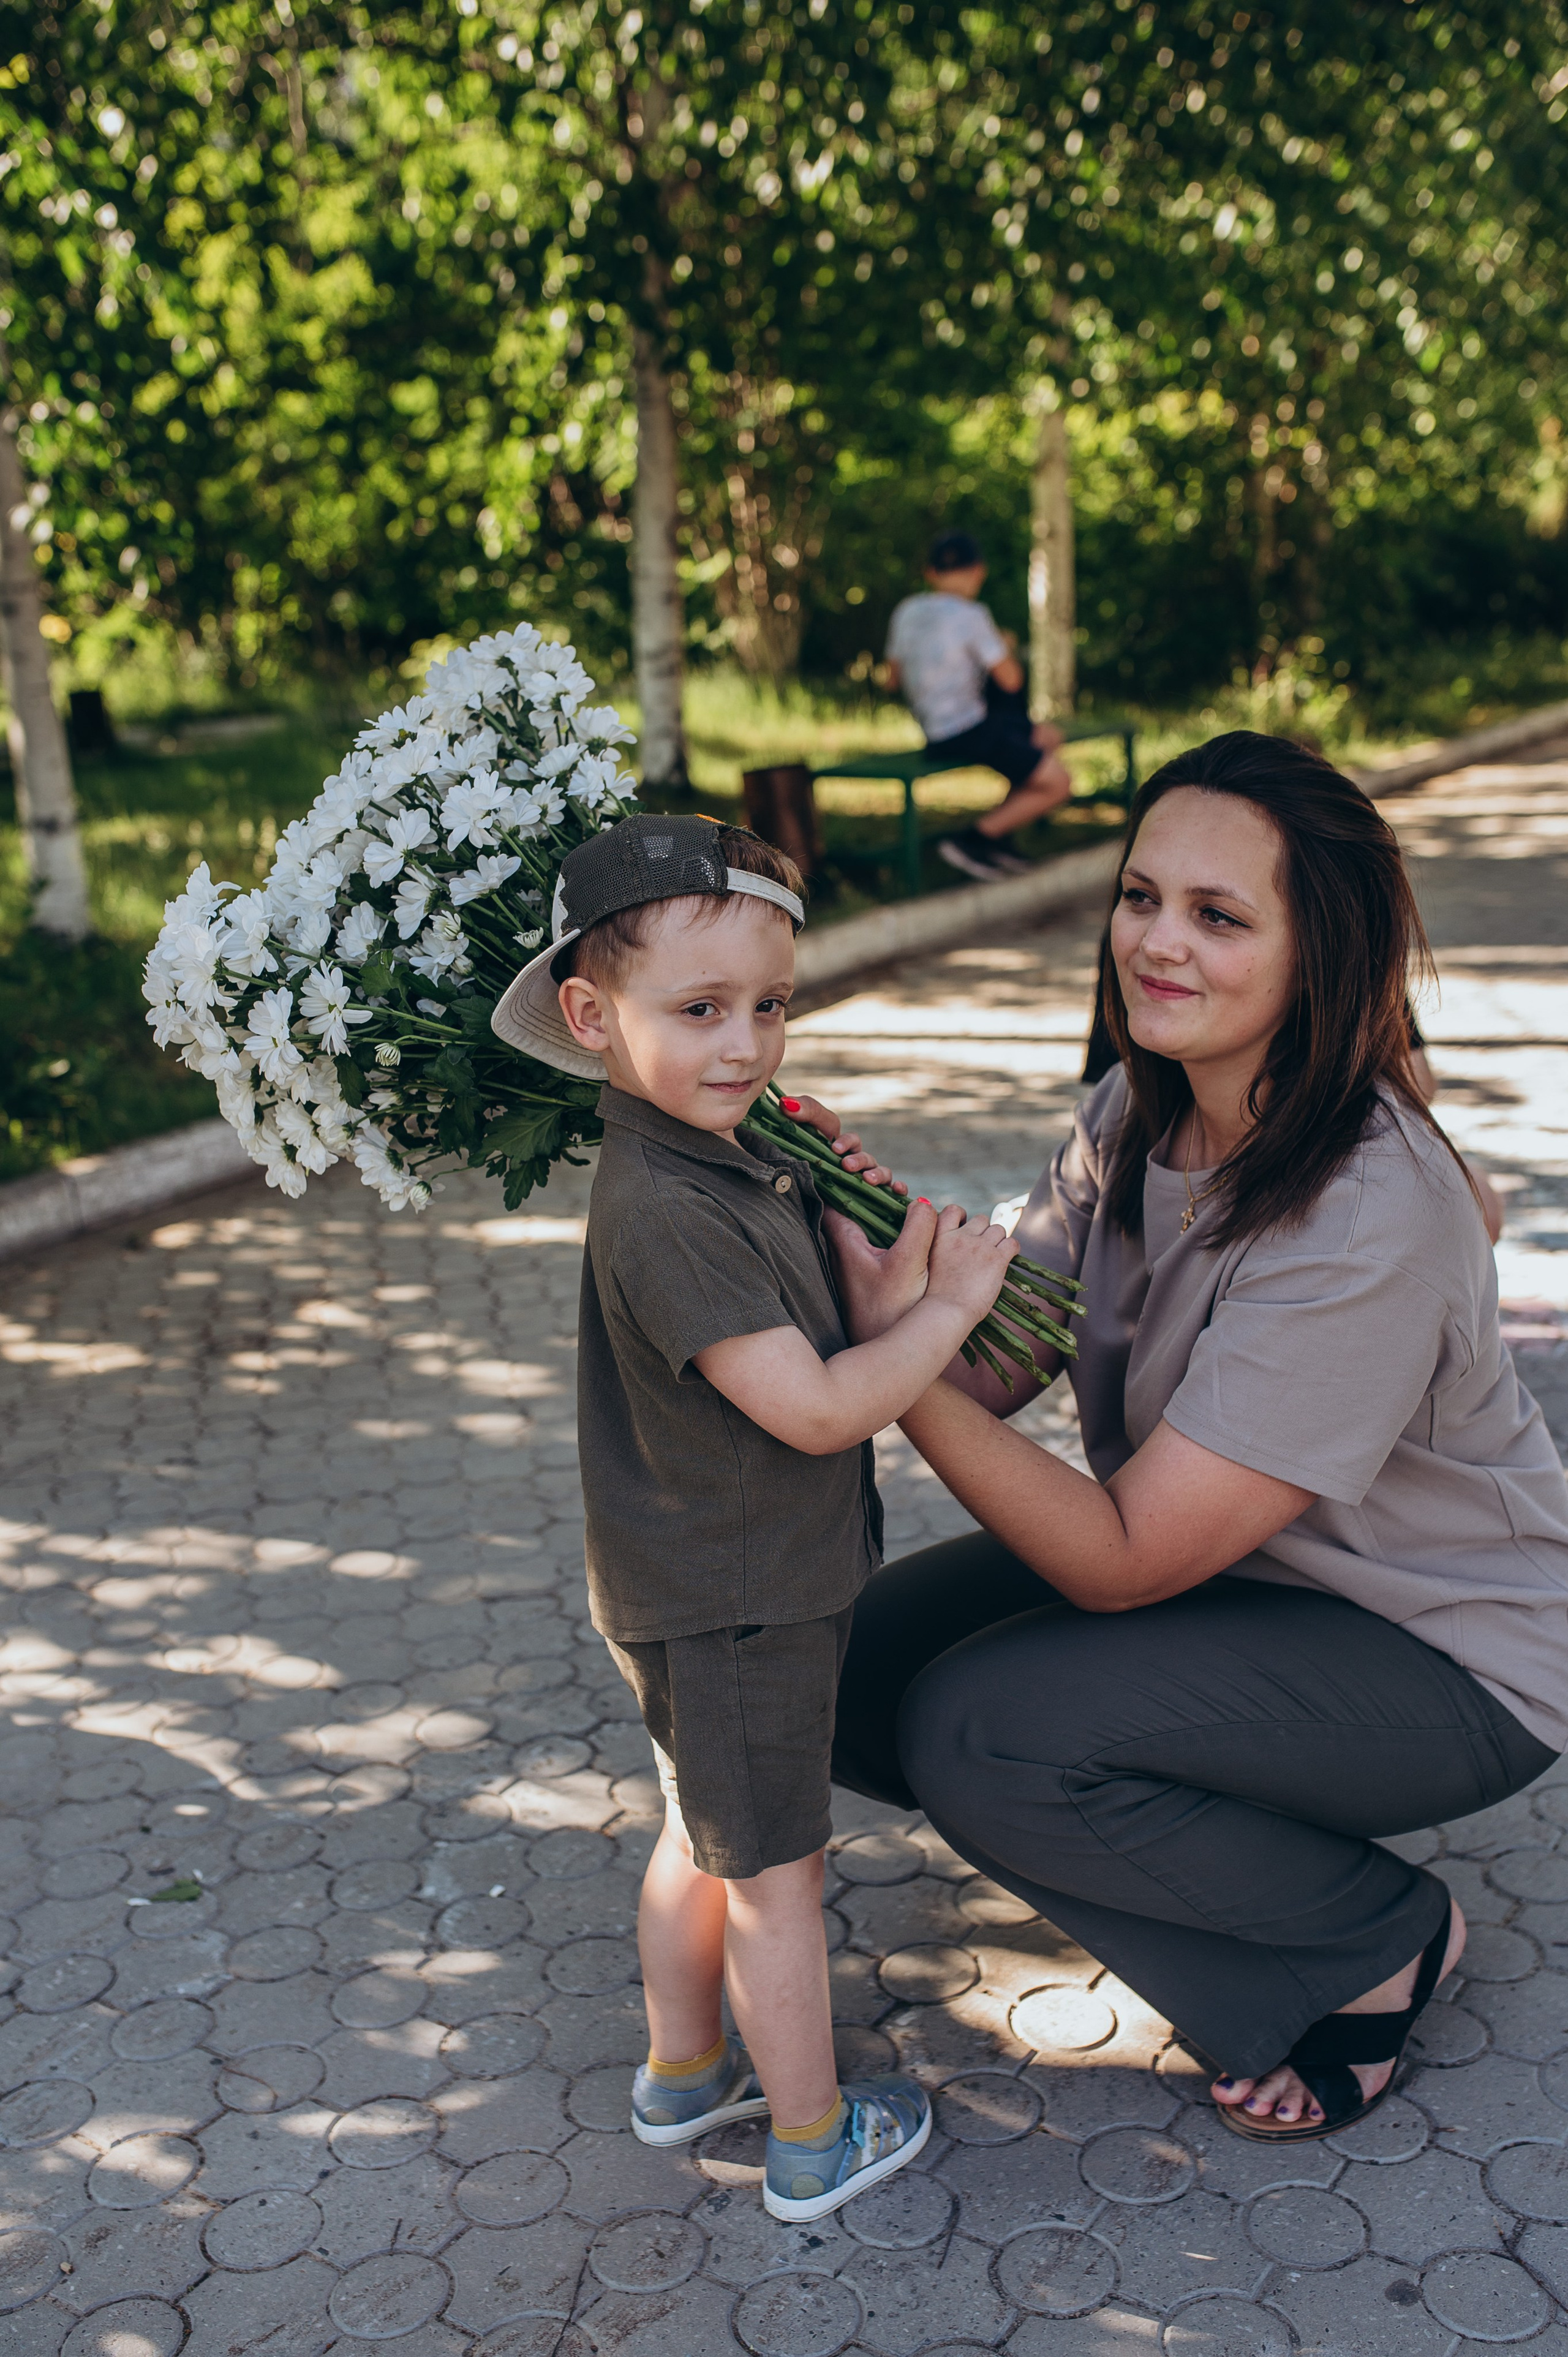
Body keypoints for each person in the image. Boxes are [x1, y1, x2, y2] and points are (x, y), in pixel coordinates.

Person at [823, 732, 1568, 2142]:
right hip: (1243, 1572)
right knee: (856, 1666)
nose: (1156, 942)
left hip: (1447, 1646)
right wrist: (853, 1222)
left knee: (983, 1731)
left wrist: (889, 1363)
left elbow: (1116, 1559)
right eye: (1139, 895)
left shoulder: (1364, 1210)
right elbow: (995, 1363)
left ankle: (1364, 1938)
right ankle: (1201, 1836)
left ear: (1317, 952)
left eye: (1218, 916)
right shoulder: (1132, 1110)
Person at [489, 810, 1019, 2217]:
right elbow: (820, 1408)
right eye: (701, 1009)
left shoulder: (712, 1152)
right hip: (740, 1598)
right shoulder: (663, 1205)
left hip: (698, 1583)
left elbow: (808, 1303)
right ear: (592, 1017)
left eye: (770, 1006)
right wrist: (957, 1303)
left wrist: (827, 1194)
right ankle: (807, 2137)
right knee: (775, 1874)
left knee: (702, 1830)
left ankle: (680, 2073)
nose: (744, 1044)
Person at [884, 528, 1074, 881]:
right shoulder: (972, 616)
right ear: (979, 572)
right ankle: (974, 839)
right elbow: (1011, 680)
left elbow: (891, 680)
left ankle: (1000, 837)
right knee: (1059, 783)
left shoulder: (906, 611)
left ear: (930, 574)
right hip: (969, 729)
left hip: (936, 731)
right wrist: (1004, 646)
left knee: (1046, 737)